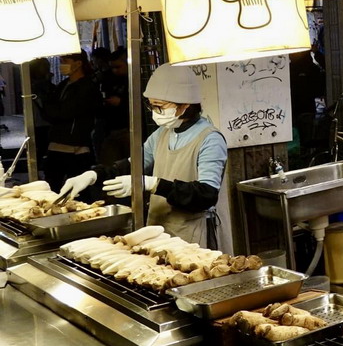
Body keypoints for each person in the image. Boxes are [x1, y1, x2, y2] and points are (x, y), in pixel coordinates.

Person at [59, 64, 228, 247]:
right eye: (152, 106)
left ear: (185, 105)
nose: (155, 112)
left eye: (160, 107)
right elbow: (134, 165)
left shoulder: (210, 139)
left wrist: (153, 184)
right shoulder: (163, 133)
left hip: (192, 234)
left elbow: (206, 195)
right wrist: (94, 175)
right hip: (157, 229)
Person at [38, 52, 101, 194]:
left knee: (78, 190)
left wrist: (53, 110)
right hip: (56, 143)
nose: (62, 64)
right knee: (52, 188)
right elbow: (52, 112)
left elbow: (66, 112)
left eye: (65, 60)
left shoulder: (87, 87)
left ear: (78, 63)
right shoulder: (63, 85)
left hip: (75, 146)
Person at [97, 47, 131, 165]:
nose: (114, 71)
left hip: (129, 128)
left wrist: (121, 102)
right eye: (112, 68)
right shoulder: (108, 79)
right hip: (111, 128)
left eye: (118, 67)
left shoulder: (135, 80)